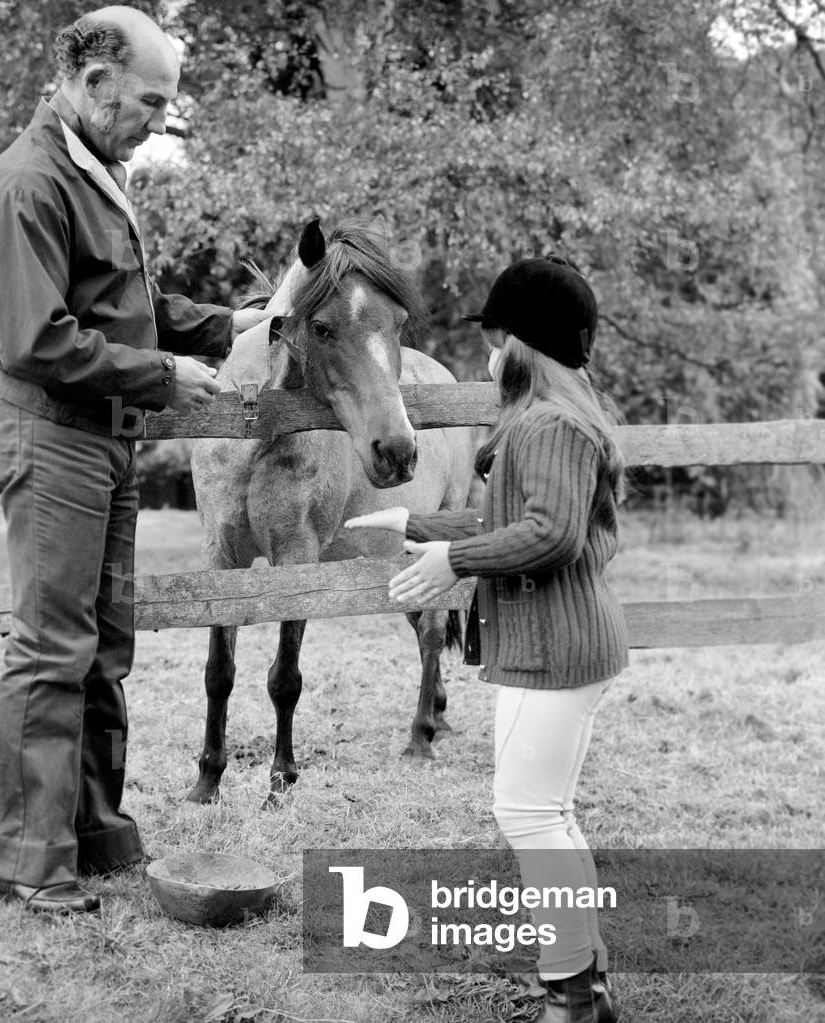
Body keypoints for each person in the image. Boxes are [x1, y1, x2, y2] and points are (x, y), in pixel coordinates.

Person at [0, 6, 267, 914]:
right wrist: (163, 375)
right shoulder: (26, 181)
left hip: (103, 436)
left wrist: (226, 325)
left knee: (103, 646)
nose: (158, 123)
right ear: (95, 84)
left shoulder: (95, 172)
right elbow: (36, 339)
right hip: (52, 434)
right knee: (53, 646)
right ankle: (25, 858)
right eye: (151, 103)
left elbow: (125, 306)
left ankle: (89, 835)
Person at [346, 256, 627, 1023]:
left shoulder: (549, 424)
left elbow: (550, 533)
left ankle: (569, 996)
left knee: (528, 813)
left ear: (524, 344)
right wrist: (414, 523)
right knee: (547, 813)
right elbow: (510, 519)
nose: (487, 356)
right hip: (558, 641)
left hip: (554, 645)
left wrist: (453, 560)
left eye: (494, 340)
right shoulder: (550, 418)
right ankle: (586, 983)